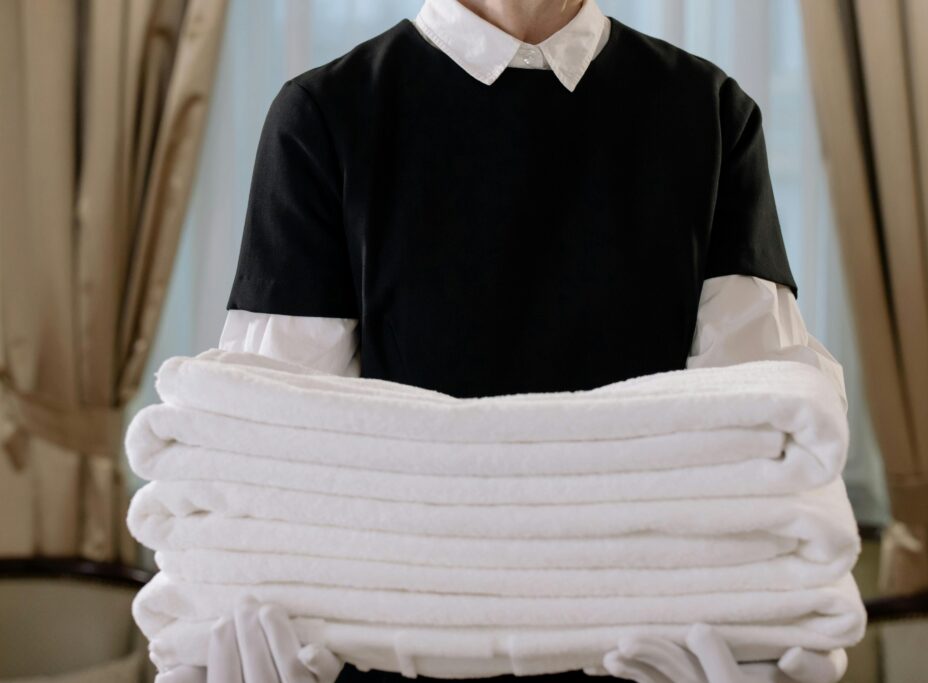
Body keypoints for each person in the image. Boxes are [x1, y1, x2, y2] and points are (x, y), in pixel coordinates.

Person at [167, 0, 850, 681]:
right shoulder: (325, 117)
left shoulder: (709, 116)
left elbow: (758, 448)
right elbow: (277, 468)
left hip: (649, 663)